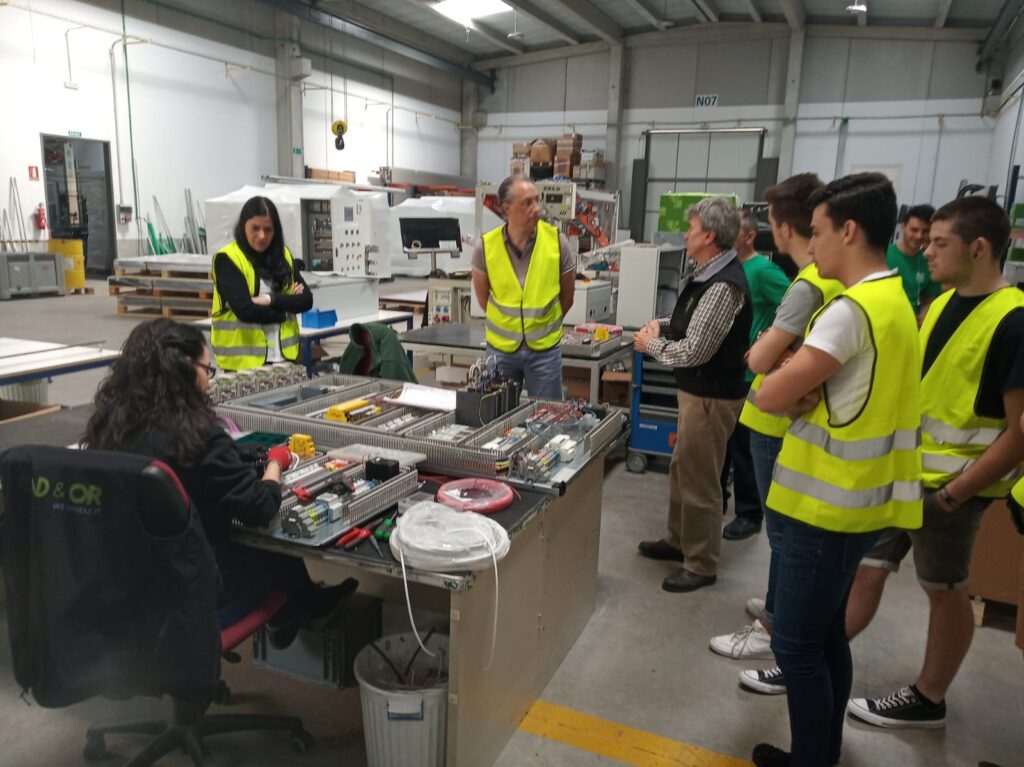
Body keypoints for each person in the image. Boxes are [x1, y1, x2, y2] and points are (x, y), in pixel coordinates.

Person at [750, 173, 923, 767]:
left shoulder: (850, 311)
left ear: (849, 231)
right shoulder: (893, 297)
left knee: (796, 648)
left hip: (823, 509)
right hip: (858, 505)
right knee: (825, 638)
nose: (811, 244)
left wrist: (786, 383)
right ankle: (819, 755)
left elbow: (769, 393)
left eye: (818, 231)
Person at [842, 197, 1024, 729]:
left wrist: (953, 496)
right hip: (904, 475)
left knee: (945, 592)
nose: (926, 250)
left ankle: (928, 698)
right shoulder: (942, 303)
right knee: (866, 569)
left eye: (940, 243)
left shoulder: (1013, 322)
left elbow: (1019, 434)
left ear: (979, 247)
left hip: (951, 491)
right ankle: (808, 659)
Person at [82, 319, 354, 648]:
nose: (209, 382)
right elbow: (260, 507)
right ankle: (297, 608)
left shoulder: (106, 428)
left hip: (127, 583)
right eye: (207, 370)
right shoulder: (197, 436)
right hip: (192, 588)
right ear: (184, 369)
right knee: (276, 548)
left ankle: (296, 608)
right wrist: (275, 464)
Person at [710, 174, 844, 667]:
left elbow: (761, 357)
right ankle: (776, 605)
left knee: (783, 534)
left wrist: (767, 351)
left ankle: (773, 626)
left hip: (775, 420)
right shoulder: (834, 281)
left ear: (784, 227)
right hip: (789, 415)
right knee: (784, 533)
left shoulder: (806, 283)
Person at [635, 197, 752, 593]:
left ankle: (701, 563)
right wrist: (661, 324)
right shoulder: (706, 274)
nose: (685, 235)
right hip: (696, 392)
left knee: (701, 480)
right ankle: (678, 540)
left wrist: (650, 345)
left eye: (691, 229)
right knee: (682, 469)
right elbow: (691, 321)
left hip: (711, 397)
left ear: (710, 236)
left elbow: (694, 351)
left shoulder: (723, 285)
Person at [721, 208, 791, 541]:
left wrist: (771, 342)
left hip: (750, 374)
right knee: (723, 445)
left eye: (733, 229)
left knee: (744, 448)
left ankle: (749, 513)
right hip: (727, 369)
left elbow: (795, 308)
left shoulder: (763, 272)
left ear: (750, 236)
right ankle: (718, 501)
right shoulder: (728, 267)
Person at [472, 175, 575, 400]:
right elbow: (483, 300)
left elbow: (567, 298)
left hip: (544, 352)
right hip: (501, 352)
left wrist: (543, 327)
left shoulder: (557, 242)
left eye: (537, 200)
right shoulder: (486, 247)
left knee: (548, 415)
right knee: (498, 414)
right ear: (506, 207)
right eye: (527, 202)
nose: (536, 208)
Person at [211, 196, 313, 371]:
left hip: (284, 359)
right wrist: (286, 309)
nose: (262, 236)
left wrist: (269, 300)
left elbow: (306, 301)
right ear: (243, 226)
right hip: (243, 365)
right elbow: (245, 310)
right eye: (255, 228)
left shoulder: (284, 256)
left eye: (268, 229)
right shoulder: (228, 259)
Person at [887, 204, 941, 320]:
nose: (919, 236)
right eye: (914, 230)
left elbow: (929, 300)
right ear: (903, 227)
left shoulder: (929, 263)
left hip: (911, 324)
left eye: (925, 231)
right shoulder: (883, 255)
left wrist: (921, 317)